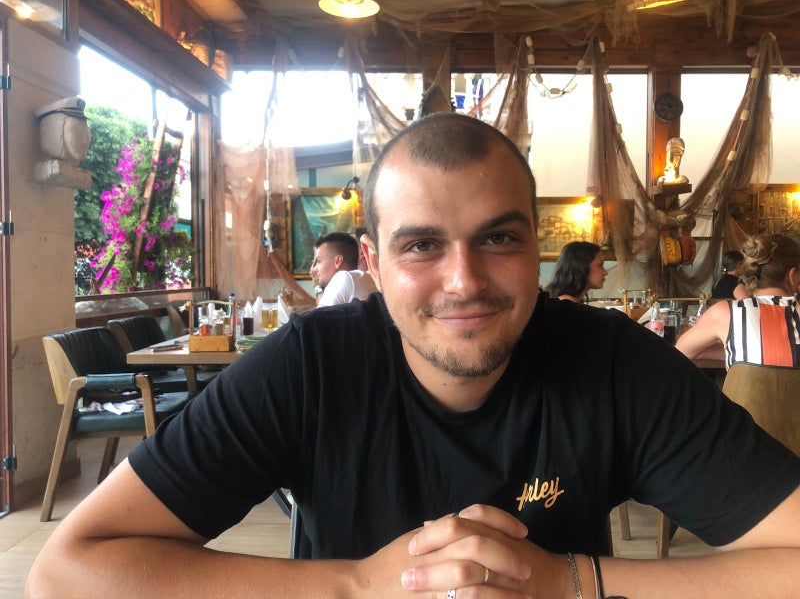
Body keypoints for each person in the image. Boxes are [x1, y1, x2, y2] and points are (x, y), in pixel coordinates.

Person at [27, 113, 800, 599]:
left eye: (499, 238)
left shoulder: (611, 363)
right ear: (373, 261)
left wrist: (572, 582)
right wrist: (362, 585)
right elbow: (65, 572)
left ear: (535, 247)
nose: (464, 281)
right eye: (422, 245)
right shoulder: (311, 365)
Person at [677, 233, 800, 369]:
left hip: (744, 384)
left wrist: (738, 349)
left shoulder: (726, 313)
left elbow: (682, 350)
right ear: (793, 276)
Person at [309, 231, 377, 307]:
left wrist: (317, 287)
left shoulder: (343, 277)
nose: (314, 269)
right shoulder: (366, 278)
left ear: (338, 261)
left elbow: (318, 314)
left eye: (318, 261)